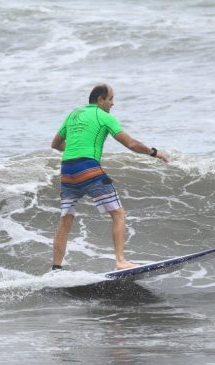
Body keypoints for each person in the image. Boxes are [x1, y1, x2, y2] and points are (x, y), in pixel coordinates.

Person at [50, 83, 169, 271]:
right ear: (100, 100)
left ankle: (56, 268)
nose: (113, 104)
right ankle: (121, 261)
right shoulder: (104, 116)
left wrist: (75, 150)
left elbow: (55, 144)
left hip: (67, 170)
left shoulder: (73, 115)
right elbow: (130, 144)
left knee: (66, 219)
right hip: (88, 168)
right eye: (111, 99)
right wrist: (153, 152)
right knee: (118, 213)